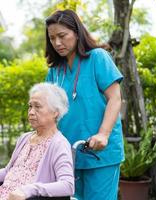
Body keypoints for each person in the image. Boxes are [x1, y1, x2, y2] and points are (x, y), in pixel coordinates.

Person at [44, 9, 124, 200]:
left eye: (62, 36)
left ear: (77, 32)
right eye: (52, 38)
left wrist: (103, 134)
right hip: (67, 156)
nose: (57, 43)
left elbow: (115, 98)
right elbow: (48, 110)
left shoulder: (97, 57)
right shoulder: (55, 71)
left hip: (100, 154)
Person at [0, 82, 74, 200]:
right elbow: (8, 172)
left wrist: (28, 190)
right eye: (30, 106)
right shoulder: (25, 138)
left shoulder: (58, 144)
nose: (31, 112)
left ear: (55, 112)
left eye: (37, 106)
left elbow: (67, 185)